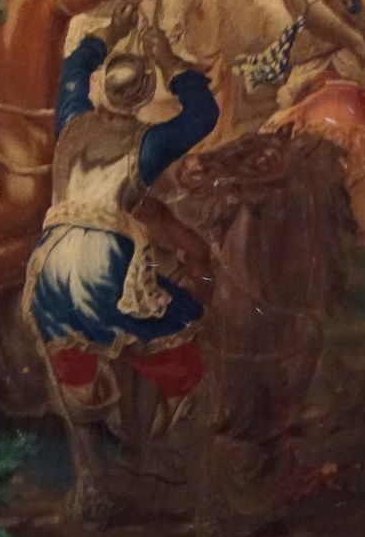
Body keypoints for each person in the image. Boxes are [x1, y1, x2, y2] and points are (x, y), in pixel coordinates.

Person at [27, 34, 222, 420]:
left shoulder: (72, 123)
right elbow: (202, 116)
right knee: (177, 320)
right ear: (143, 98)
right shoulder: (147, 144)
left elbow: (72, 73)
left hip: (47, 263)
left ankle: (85, 400)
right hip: (100, 264)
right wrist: (172, 64)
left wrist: (103, 37)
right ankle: (175, 404)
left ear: (102, 91)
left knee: (70, 331)